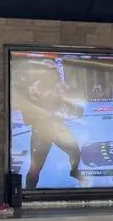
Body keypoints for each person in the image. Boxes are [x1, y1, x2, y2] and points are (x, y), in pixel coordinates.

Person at [16, 59, 82, 187]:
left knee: (75, 151)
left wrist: (73, 109)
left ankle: (74, 171)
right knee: (35, 168)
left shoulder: (58, 88)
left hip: (58, 129)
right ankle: (28, 192)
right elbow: (27, 117)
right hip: (41, 133)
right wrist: (46, 115)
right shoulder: (33, 91)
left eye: (55, 73)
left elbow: (64, 103)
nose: (54, 76)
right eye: (51, 73)